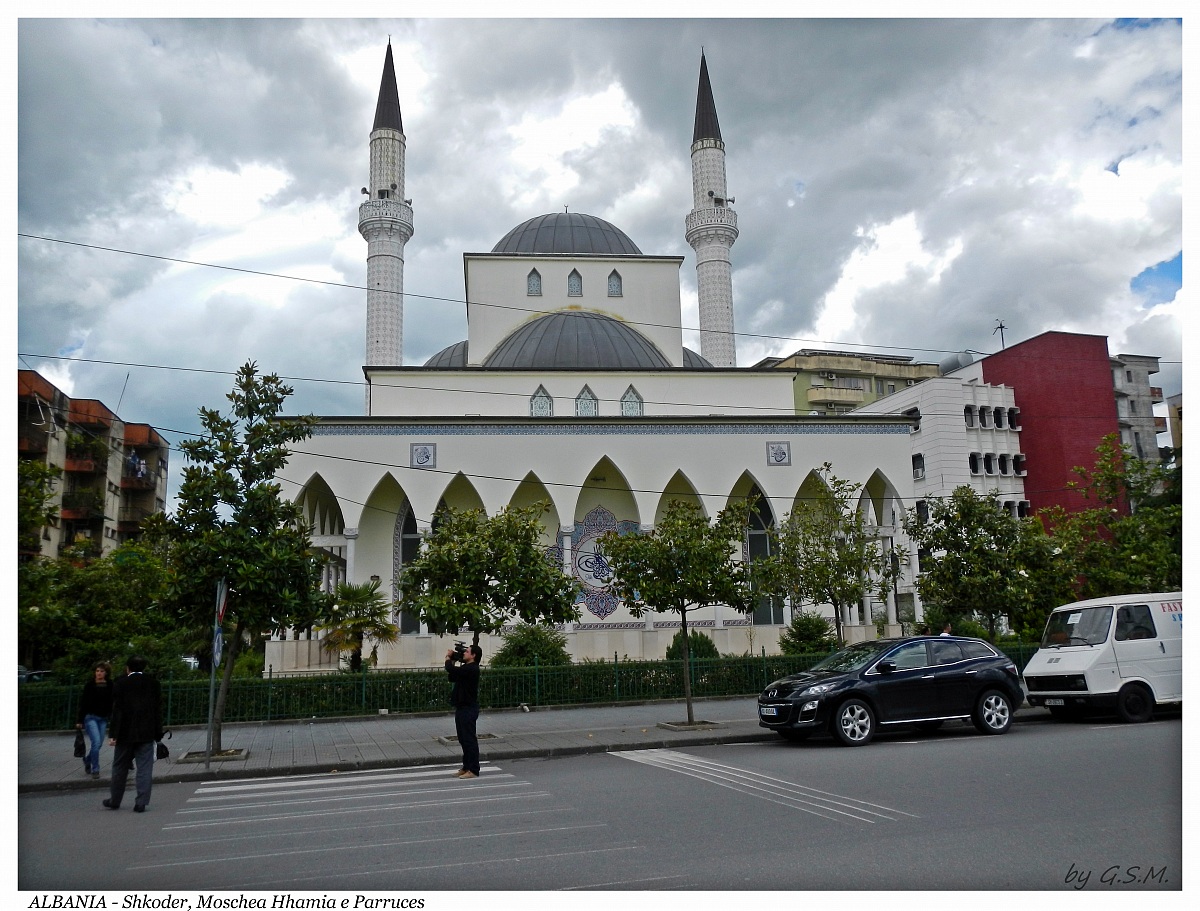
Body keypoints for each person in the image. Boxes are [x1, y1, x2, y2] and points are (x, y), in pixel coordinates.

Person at [103, 655, 163, 813]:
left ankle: (115, 800)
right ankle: (141, 802)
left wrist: (113, 734)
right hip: (146, 732)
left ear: (127, 668)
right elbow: (157, 710)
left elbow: (117, 710)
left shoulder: (121, 683)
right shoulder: (153, 683)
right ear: (144, 668)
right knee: (144, 768)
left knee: (119, 767)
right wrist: (158, 733)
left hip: (125, 733)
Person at [445, 643, 482, 779]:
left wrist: (448, 659)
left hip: (469, 708)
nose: (464, 653)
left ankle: (473, 769)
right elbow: (452, 676)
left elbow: (450, 669)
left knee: (469, 739)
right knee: (463, 739)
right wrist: (453, 661)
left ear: (473, 656)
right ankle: (466, 767)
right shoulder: (466, 668)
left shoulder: (472, 669)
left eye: (467, 652)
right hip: (461, 707)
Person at [75, 661, 114, 779]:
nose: (99, 673)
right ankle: (95, 769)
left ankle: (87, 760)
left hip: (103, 718)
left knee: (99, 744)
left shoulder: (110, 685)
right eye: (97, 671)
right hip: (90, 717)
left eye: (102, 671)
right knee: (96, 742)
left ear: (106, 673)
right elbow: (83, 703)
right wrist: (79, 720)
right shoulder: (90, 685)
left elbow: (112, 702)